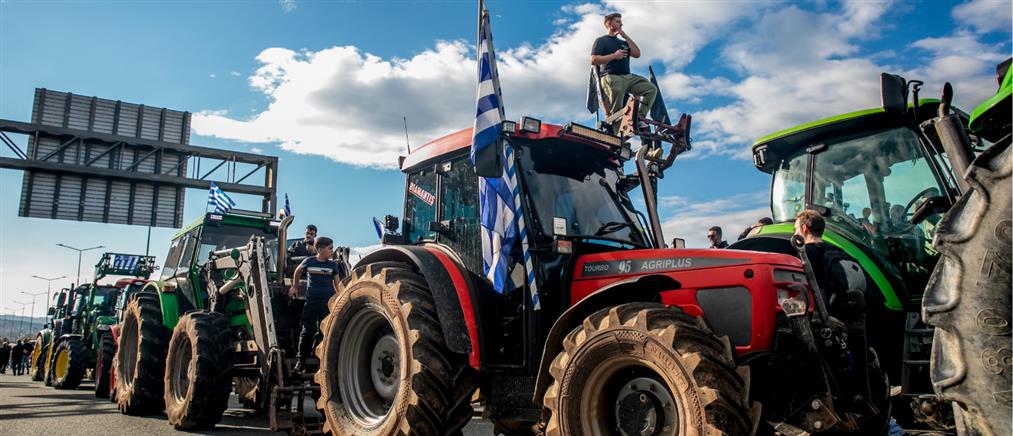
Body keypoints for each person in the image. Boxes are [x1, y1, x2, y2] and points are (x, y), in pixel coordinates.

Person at [591, 13, 657, 131]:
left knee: (650, 88)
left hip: (628, 77)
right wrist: (614, 56)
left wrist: (625, 36)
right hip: (611, 76)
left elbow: (637, 54)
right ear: (610, 24)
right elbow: (594, 60)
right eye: (617, 21)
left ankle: (639, 118)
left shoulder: (623, 42)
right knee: (618, 110)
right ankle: (618, 139)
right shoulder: (601, 40)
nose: (621, 23)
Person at [289, 236, 344, 373]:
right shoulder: (309, 261)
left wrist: (340, 297)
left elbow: (337, 284)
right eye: (330, 248)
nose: (332, 251)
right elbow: (298, 272)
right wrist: (294, 287)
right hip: (312, 302)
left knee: (324, 332)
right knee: (307, 331)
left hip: (327, 304)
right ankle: (301, 361)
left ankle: (321, 362)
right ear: (320, 249)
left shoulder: (333, 265)